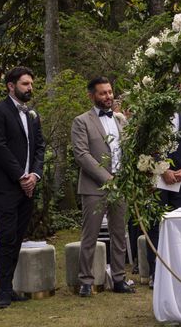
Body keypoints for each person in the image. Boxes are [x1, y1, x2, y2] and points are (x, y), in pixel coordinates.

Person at [0, 66, 45, 308]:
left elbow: (40, 146)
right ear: (11, 86)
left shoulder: (32, 114)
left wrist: (35, 176)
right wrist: (21, 176)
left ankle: (6, 287)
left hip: (28, 185)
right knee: (7, 237)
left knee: (18, 236)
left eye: (31, 84)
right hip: (5, 185)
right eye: (25, 84)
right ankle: (5, 291)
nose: (30, 88)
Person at [71, 77, 133, 296]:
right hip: (94, 186)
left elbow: (127, 149)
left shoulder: (120, 120)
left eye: (109, 92)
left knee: (119, 233)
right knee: (91, 235)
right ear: (92, 96)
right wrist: (107, 178)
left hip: (121, 185)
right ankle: (86, 281)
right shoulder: (81, 121)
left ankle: (119, 278)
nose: (108, 96)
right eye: (103, 93)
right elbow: (81, 154)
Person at [146, 97, 181, 284]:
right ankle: (155, 271)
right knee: (155, 223)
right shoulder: (152, 110)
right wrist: (163, 169)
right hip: (158, 176)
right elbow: (147, 142)